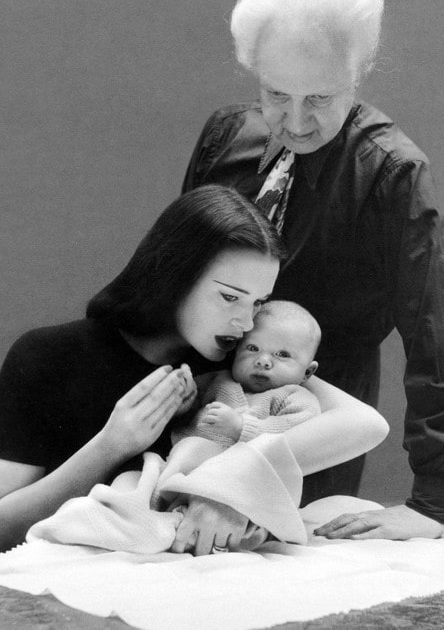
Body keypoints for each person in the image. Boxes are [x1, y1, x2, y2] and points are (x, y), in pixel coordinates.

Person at [182, 0, 444, 540]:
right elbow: (177, 281)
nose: (294, 122)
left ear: (358, 71)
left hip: (312, 412)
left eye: (318, 98)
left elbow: (439, 341)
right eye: (275, 94)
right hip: (204, 397)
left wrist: (432, 503)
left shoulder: (393, 172)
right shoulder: (225, 136)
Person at [0, 184, 389, 554]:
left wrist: (230, 486)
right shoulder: (49, 354)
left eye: (258, 302)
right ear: (174, 275)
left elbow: (366, 424)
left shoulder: (233, 360)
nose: (246, 322)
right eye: (230, 297)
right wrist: (110, 446)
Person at [172, 300, 322, 448]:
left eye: (282, 354)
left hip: (240, 467)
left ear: (307, 372)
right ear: (236, 351)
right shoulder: (218, 381)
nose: (262, 361)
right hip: (182, 457)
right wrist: (184, 399)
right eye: (252, 348)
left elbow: (294, 437)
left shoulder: (296, 398)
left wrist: (240, 427)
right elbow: (186, 417)